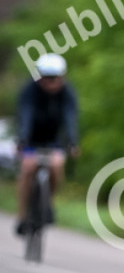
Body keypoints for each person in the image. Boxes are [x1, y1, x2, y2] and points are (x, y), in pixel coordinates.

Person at [15, 53, 78, 236]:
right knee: (28, 168)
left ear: (62, 77)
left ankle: (47, 203)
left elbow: (70, 118)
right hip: (31, 138)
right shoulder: (29, 90)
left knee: (57, 165)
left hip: (54, 140)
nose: (50, 82)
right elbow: (25, 115)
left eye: (54, 78)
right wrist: (22, 139)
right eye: (46, 77)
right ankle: (22, 216)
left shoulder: (67, 93)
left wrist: (72, 142)